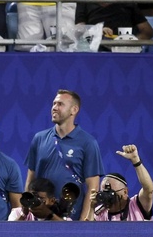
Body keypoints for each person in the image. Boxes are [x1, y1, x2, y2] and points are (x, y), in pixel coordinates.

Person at [25, 89, 103, 221]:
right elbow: (30, 179)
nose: (54, 108)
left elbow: (93, 187)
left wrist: (84, 222)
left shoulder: (88, 143)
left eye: (60, 104)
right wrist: (27, 212)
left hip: (71, 218)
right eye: (54, 103)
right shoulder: (39, 138)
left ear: (74, 110)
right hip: (40, 217)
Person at [88, 144, 153, 221]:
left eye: (111, 192)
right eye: (104, 193)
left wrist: (136, 160)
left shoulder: (136, 205)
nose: (107, 196)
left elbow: (149, 189)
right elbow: (88, 231)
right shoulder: (99, 212)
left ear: (125, 192)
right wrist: (91, 207)